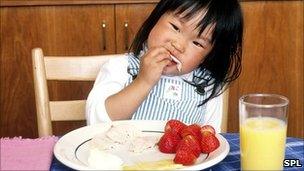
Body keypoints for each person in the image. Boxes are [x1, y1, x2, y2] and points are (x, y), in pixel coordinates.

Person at [86, 0, 243, 132]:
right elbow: (96, 124)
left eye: (197, 43)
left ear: (208, 56)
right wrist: (143, 81)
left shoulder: (208, 86)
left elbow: (210, 141)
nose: (178, 45)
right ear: (156, 18)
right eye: (175, 27)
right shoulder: (121, 68)